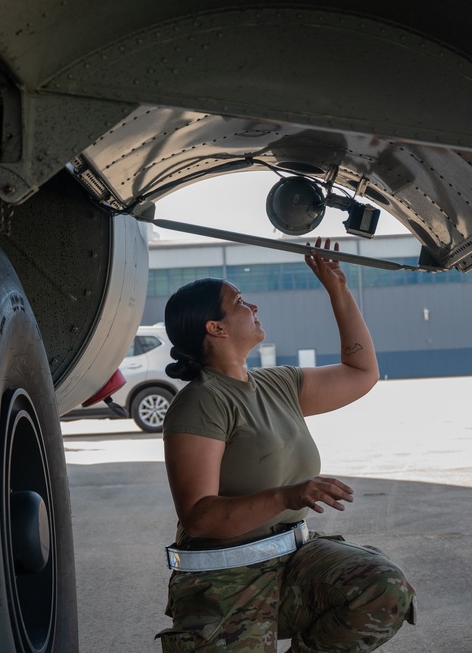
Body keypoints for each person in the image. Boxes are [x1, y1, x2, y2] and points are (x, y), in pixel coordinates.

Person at [155, 237, 416, 652]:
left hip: (293, 560)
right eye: (240, 301)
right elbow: (200, 517)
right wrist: (288, 495)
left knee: (382, 587)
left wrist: (338, 290)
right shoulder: (201, 402)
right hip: (226, 577)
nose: (253, 307)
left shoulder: (278, 384)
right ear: (215, 328)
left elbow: (361, 372)